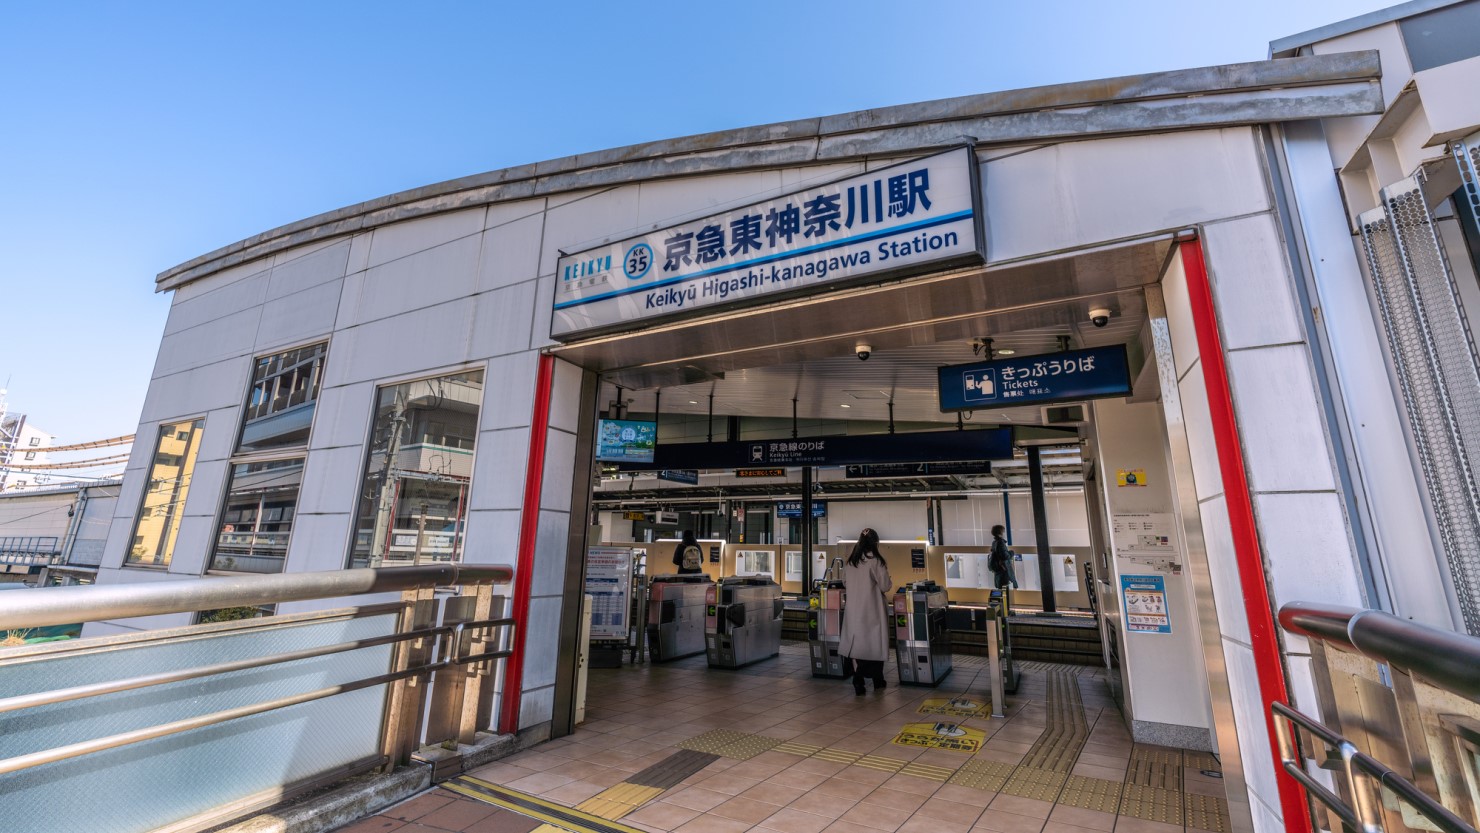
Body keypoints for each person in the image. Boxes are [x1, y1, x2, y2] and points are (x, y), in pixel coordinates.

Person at [838, 528, 892, 695]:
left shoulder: (851, 562)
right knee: (874, 645)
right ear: (876, 543)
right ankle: (877, 680)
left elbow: (845, 583)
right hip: (871, 611)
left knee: (857, 647)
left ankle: (858, 680)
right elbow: (885, 586)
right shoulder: (875, 561)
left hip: (853, 611)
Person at [988, 524, 1018, 590]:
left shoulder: (994, 542)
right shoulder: (1000, 542)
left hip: (998, 569)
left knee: (1001, 589)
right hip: (1004, 569)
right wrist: (1012, 552)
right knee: (1006, 589)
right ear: (1000, 532)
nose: (1004, 533)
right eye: (1003, 531)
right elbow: (1005, 556)